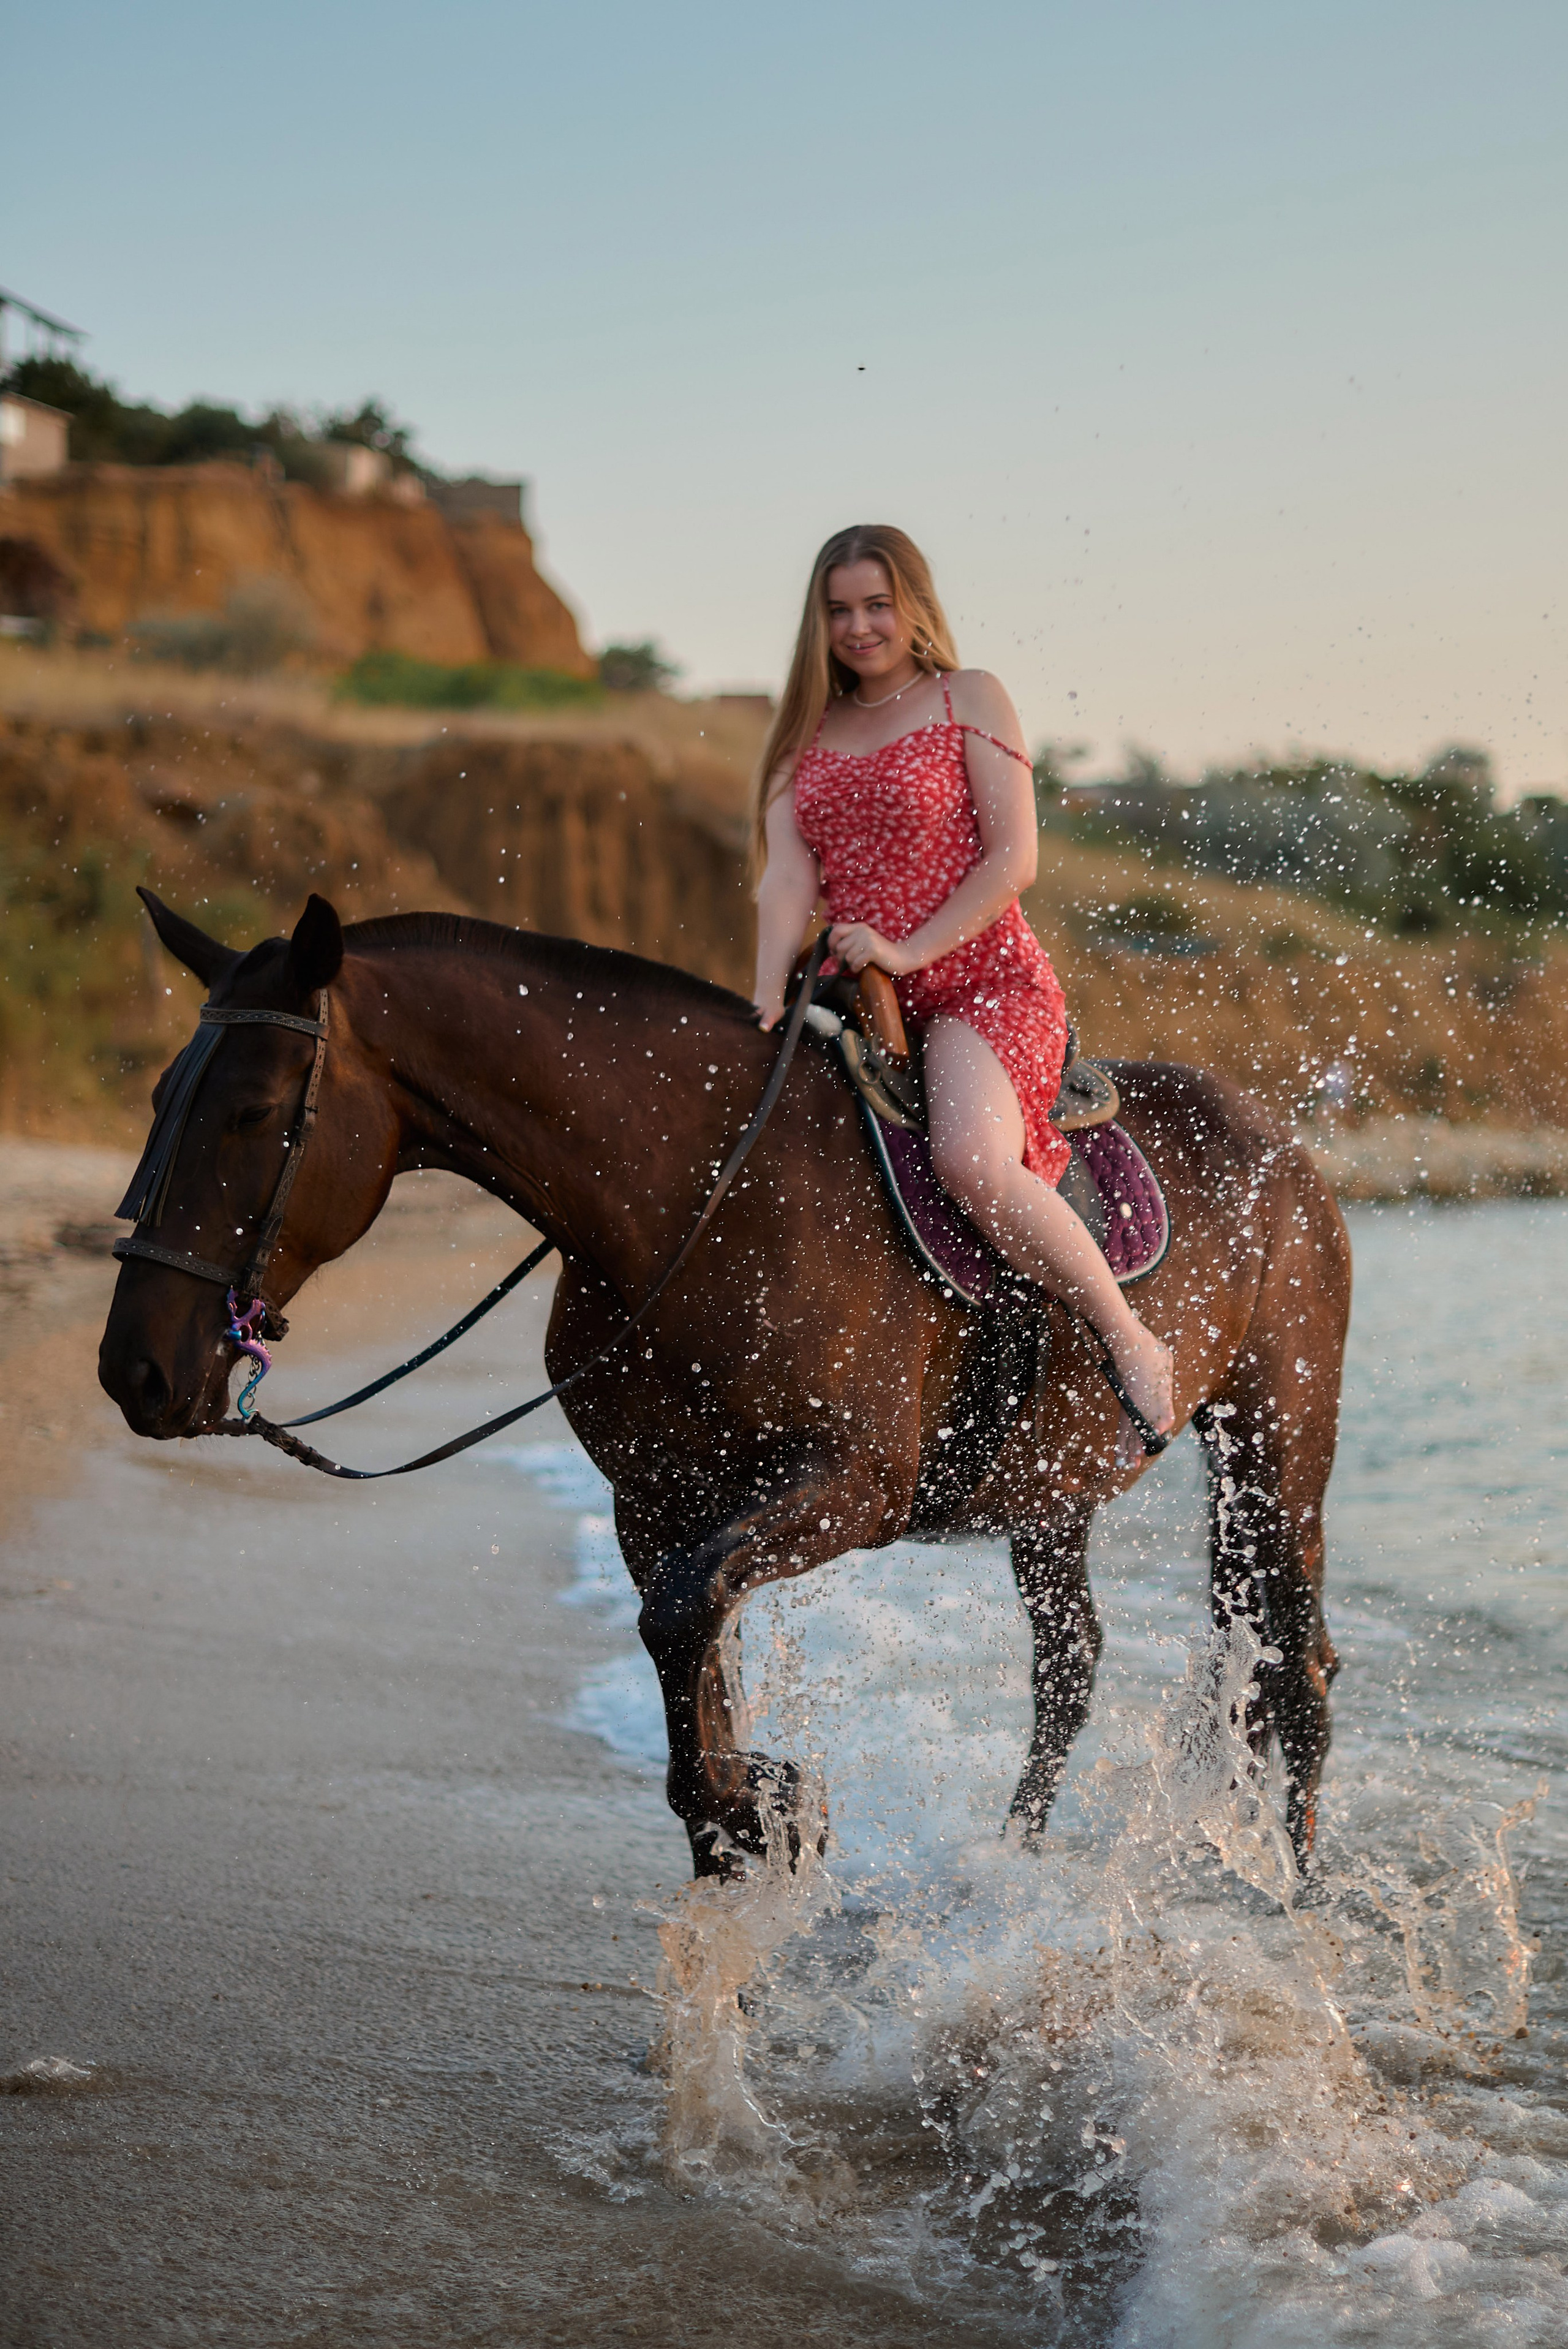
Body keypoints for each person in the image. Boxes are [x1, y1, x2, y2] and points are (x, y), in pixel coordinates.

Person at [751, 523, 1175, 1463]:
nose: (859, 627)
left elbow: (1012, 859)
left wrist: (908, 948)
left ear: (913, 606)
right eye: (839, 611)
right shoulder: (802, 737)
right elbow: (785, 881)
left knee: (971, 1160)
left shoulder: (966, 697)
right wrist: (763, 998)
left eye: (876, 605)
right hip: (859, 991)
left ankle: (1129, 1337)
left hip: (983, 980)